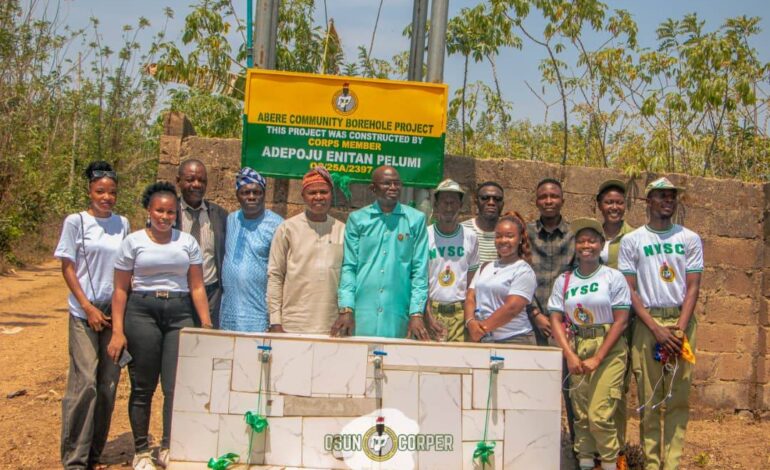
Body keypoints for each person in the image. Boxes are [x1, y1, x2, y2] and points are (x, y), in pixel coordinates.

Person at [107, 182, 213, 470]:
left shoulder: (187, 243)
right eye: (159, 211)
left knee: (174, 386)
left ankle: (168, 445)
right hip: (142, 312)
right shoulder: (133, 242)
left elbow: (197, 286)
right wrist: (117, 331)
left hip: (179, 313)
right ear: (149, 211)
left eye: (170, 212)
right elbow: (119, 290)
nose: (165, 217)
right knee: (143, 387)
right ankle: (141, 450)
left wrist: (205, 324)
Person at [618, 177, 703, 470]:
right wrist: (655, 328)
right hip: (647, 324)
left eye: (672, 196)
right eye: (661, 196)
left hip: (681, 322)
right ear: (648, 201)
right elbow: (629, 290)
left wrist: (678, 329)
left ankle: (673, 464)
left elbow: (692, 287)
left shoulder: (689, 238)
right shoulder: (633, 240)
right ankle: (652, 464)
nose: (668, 200)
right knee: (650, 399)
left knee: (678, 398)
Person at [56, 162, 130, 470]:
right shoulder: (76, 222)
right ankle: (75, 459)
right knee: (84, 383)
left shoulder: (123, 224)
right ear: (89, 191)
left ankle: (94, 454)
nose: (106, 197)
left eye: (111, 192)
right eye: (100, 191)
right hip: (83, 313)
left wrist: (118, 322)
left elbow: (125, 272)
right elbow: (67, 267)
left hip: (111, 314)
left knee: (107, 385)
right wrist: (87, 308)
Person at [548, 218, 631, 470]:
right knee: (582, 416)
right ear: (575, 245)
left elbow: (621, 321)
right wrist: (569, 355)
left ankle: (610, 462)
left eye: (592, 240)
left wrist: (598, 357)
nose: (587, 245)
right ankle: (585, 462)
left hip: (608, 348)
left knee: (599, 415)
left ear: (601, 244)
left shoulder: (613, 277)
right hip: (577, 345)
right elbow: (555, 318)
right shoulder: (564, 280)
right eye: (581, 240)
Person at [337, 166, 430, 339]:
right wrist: (346, 307)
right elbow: (349, 266)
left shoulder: (415, 220)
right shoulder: (358, 219)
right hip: (362, 313)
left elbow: (420, 271)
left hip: (398, 313)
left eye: (397, 183)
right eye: (387, 183)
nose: (393, 188)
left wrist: (416, 313)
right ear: (373, 188)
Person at [267, 166, 345, 334]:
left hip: (331, 326)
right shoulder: (287, 229)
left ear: (331, 194)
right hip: (293, 325)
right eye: (312, 193)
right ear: (303, 196)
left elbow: (349, 279)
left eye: (324, 192)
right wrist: (275, 322)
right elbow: (275, 276)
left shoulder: (343, 231)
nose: (318, 197)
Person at [596, 179, 635, 464]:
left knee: (617, 389)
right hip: (593, 324)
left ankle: (618, 453)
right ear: (599, 206)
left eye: (619, 202)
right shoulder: (588, 235)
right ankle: (594, 452)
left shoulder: (634, 238)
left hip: (624, 322)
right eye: (609, 202)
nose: (614, 207)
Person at [219, 168, 283, 333]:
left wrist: (275, 319)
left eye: (257, 192)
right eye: (245, 192)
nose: (252, 197)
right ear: (237, 195)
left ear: (264, 194)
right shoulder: (231, 219)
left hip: (259, 316)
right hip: (228, 314)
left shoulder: (278, 225)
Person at [465, 212, 538, 344]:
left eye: (510, 236)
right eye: (498, 236)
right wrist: (470, 322)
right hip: (485, 338)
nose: (503, 240)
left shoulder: (523, 270)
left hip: (515, 339)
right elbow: (471, 296)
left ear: (520, 238)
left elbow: (512, 308)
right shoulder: (485, 267)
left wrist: (481, 329)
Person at [174, 159, 227, 328]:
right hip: (178, 294)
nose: (196, 185)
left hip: (211, 295)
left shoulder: (219, 215)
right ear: (178, 181)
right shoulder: (168, 212)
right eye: (190, 180)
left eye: (202, 180)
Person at [426, 179, 479, 342]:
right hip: (431, 310)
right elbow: (419, 280)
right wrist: (426, 315)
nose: (449, 207)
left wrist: (469, 317)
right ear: (436, 204)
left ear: (460, 205)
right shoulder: (425, 235)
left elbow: (472, 281)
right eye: (444, 202)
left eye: (453, 202)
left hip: (459, 312)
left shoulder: (470, 237)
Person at [461, 181, 504, 263]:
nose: (491, 203)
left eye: (497, 199)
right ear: (476, 202)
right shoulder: (462, 231)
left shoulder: (510, 234)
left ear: (503, 204)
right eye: (485, 198)